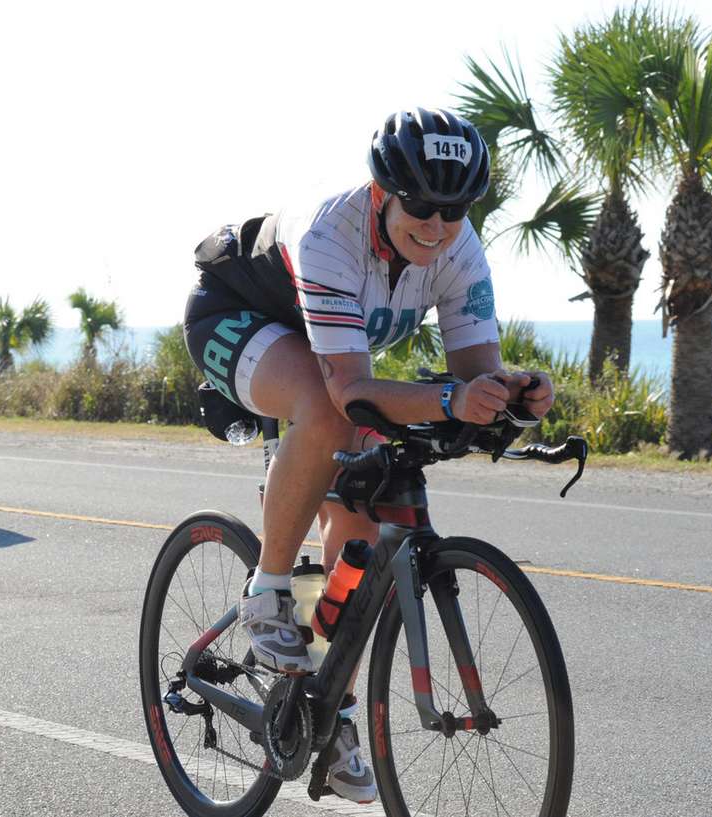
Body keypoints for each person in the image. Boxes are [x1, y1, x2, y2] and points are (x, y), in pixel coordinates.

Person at [183, 107, 555, 803]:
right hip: (237, 315)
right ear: (383, 191)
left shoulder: (457, 247)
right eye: (420, 204)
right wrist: (450, 401)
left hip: (327, 350)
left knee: (359, 516)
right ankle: (267, 595)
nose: (437, 224)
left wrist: (512, 395)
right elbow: (350, 387)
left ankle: (333, 714)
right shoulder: (334, 231)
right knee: (326, 412)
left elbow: (473, 368)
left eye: (454, 207)